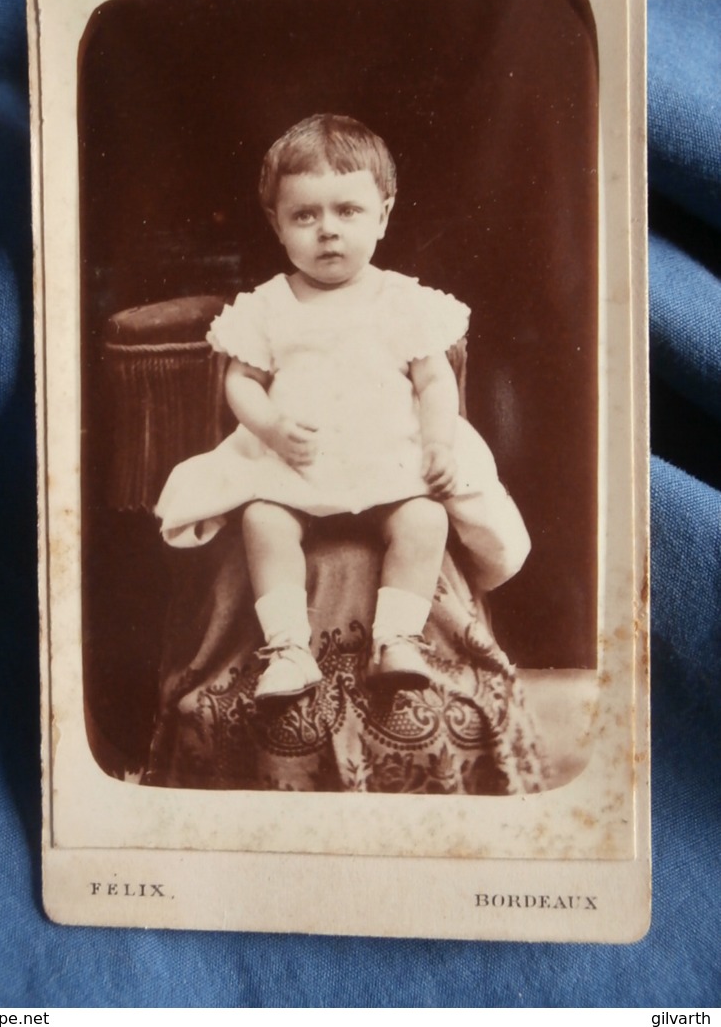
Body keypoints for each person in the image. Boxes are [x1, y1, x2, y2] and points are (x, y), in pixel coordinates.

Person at [156, 114, 530, 700]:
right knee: (263, 520)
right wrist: (272, 427)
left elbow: (434, 382)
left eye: (346, 211)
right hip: (298, 458)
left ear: (382, 215)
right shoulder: (268, 307)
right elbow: (242, 382)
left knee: (425, 518)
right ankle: (287, 649)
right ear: (276, 225)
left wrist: (436, 443)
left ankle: (397, 641)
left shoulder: (404, 301)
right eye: (305, 215)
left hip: (388, 455)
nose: (327, 231)